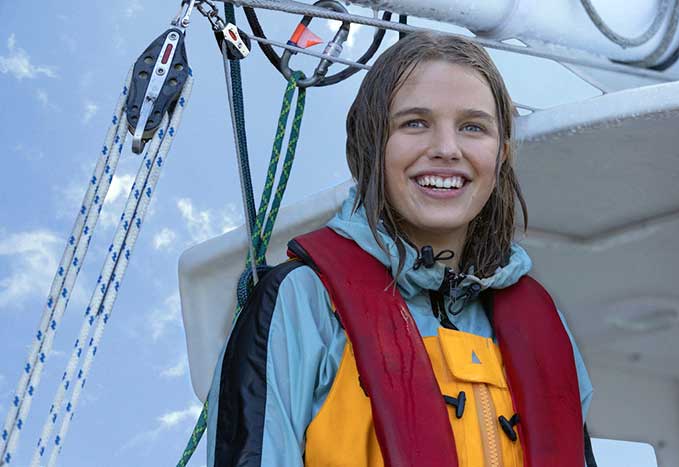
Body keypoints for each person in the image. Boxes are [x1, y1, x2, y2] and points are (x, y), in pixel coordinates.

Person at [206, 31, 594, 466]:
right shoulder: (301, 302)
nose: (446, 149)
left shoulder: (542, 319)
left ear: (501, 152)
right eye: (414, 123)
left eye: (472, 127)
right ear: (372, 144)